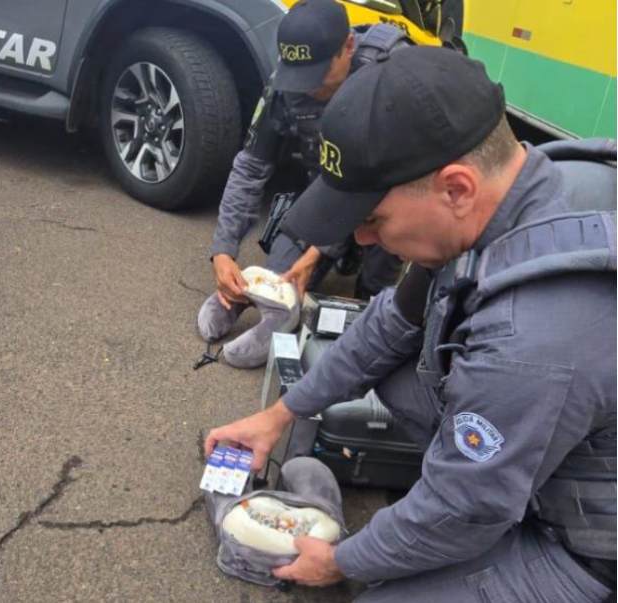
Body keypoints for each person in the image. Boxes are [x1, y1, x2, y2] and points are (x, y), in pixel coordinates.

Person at [205, 46, 616, 601]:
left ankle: (480, 491)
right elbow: (385, 326)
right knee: (385, 367)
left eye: (372, 218)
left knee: (378, 591)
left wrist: (340, 560)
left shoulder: (529, 342)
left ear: (456, 189)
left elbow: (466, 510)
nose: (362, 239)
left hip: (592, 547)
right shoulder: (535, 183)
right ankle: (475, 472)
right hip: (551, 427)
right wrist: (280, 414)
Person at [197, 0, 408, 368]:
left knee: (376, 295)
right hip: (323, 193)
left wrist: (318, 253)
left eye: (317, 76)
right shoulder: (286, 82)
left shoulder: (387, 78)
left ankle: (372, 297)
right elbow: (249, 169)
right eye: (300, 76)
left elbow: (390, 182)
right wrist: (223, 250)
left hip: (383, 196)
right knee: (280, 280)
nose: (306, 88)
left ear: (348, 47)